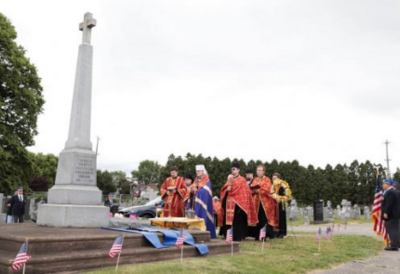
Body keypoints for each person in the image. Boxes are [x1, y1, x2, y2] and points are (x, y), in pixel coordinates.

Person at [219, 163, 258, 241]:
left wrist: (239, 200)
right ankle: (227, 235)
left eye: (234, 169)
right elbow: (224, 189)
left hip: (238, 204)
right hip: (228, 203)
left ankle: (237, 236)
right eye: (232, 169)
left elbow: (245, 193)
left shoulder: (242, 180)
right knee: (227, 220)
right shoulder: (229, 179)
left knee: (237, 221)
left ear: (238, 170)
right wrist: (227, 189)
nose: (233, 171)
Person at [186, 165, 216, 238]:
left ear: (203, 171)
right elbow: (191, 188)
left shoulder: (207, 180)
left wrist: (198, 191)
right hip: (194, 204)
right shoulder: (196, 180)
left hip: (204, 204)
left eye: (199, 171)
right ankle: (194, 233)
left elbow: (206, 191)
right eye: (196, 171)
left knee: (203, 217)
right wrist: (192, 189)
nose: (197, 172)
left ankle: (204, 234)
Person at [249, 165, 277, 239]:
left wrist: (259, 190)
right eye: (258, 170)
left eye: (260, 170)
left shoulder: (267, 179)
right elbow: (251, 189)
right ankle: (257, 235)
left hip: (265, 203)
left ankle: (265, 235)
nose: (259, 172)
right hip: (256, 203)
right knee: (257, 218)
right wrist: (252, 190)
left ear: (263, 171)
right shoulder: (255, 179)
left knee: (263, 218)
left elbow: (267, 189)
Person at [271, 172, 293, 238]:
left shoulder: (282, 185)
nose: (274, 179)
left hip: (280, 204)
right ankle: (275, 232)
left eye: (275, 178)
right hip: (274, 205)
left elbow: (286, 194)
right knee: (274, 219)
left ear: (279, 178)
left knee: (281, 218)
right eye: (273, 178)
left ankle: (282, 232)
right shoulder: (272, 186)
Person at [381, 179, 400, 251]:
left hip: (391, 214)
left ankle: (394, 246)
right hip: (394, 214)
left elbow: (389, 204)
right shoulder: (393, 192)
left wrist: (386, 212)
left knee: (392, 230)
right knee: (395, 229)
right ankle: (397, 244)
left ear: (388, 184)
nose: (383, 185)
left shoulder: (390, 192)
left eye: (384, 184)